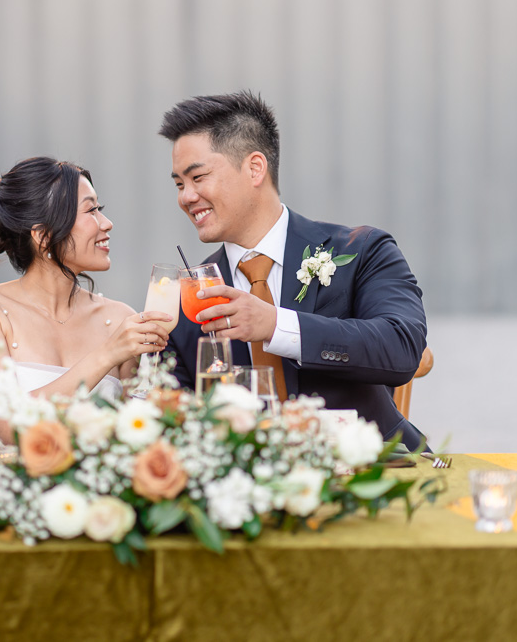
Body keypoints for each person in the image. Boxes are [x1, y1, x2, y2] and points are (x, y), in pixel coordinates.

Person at [159, 91, 429, 449]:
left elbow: (402, 347)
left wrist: (275, 325)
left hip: (375, 477)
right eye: (179, 184)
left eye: (198, 178)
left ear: (255, 168)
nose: (186, 197)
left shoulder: (361, 250)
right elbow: (167, 415)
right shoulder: (189, 298)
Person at [0, 157, 173, 444]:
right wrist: (107, 354)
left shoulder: (120, 319)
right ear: (43, 236)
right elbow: (11, 429)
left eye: (100, 209)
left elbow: (137, 438)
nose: (107, 223)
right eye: (91, 210)